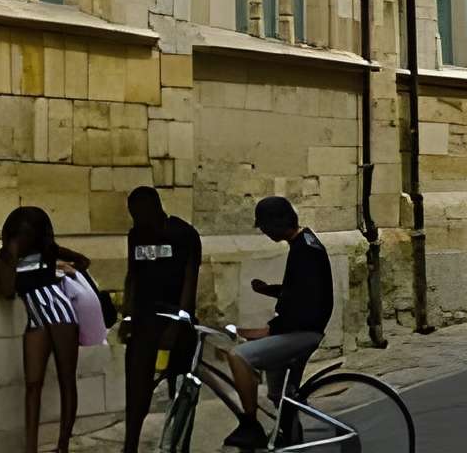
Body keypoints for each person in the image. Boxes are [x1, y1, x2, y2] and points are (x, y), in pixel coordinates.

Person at [220, 195, 333, 450]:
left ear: (278, 222)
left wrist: (269, 330)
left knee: (239, 356)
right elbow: (300, 291)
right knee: (281, 395)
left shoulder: (305, 250)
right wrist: (269, 290)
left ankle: (250, 425)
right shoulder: (305, 244)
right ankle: (292, 440)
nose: (264, 232)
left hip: (303, 331)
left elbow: (307, 304)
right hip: (300, 327)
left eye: (265, 226)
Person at [0, 206, 89, 453]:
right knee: (33, 383)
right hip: (36, 319)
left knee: (67, 379)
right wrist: (12, 254)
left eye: (25, 236)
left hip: (62, 314)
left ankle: (63, 445)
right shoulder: (4, 257)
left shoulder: (48, 252)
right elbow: (6, 291)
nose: (21, 240)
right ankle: (31, 448)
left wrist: (62, 270)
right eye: (17, 236)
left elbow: (83, 261)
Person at [120, 185, 202, 452]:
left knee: (180, 390)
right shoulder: (136, 236)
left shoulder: (184, 235)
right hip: (145, 320)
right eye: (133, 215)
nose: (137, 220)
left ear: (155, 209)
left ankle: (180, 445)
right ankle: (130, 445)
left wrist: (178, 324)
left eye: (140, 214)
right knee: (137, 387)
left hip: (176, 320)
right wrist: (128, 317)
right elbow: (133, 275)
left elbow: (190, 281)